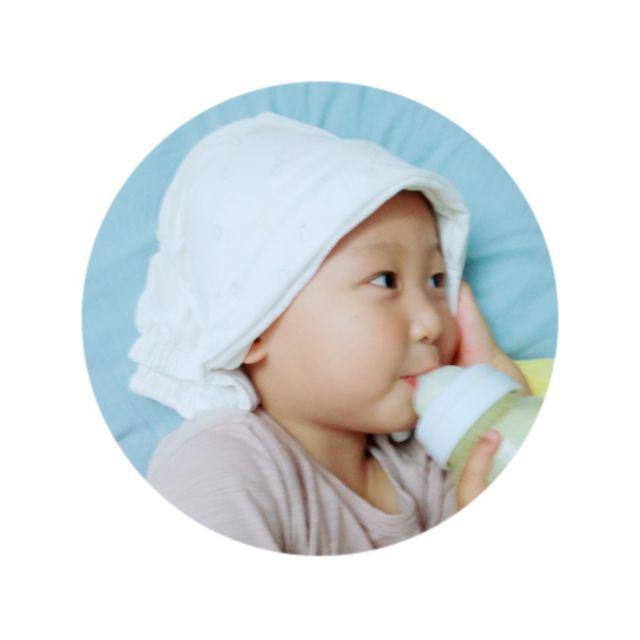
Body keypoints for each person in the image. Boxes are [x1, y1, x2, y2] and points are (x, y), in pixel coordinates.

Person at [129, 113, 530, 555]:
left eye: (436, 280)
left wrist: (499, 402)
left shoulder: (429, 467)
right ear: (253, 326)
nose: (432, 324)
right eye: (385, 281)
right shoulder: (217, 467)